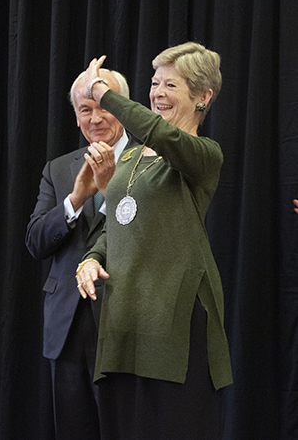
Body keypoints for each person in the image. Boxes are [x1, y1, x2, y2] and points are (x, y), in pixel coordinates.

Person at [76, 42, 233, 440]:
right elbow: (115, 225)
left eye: (171, 85)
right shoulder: (127, 160)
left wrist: (101, 92)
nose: (157, 93)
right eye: (154, 82)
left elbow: (157, 131)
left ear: (203, 97)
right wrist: (90, 259)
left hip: (173, 324)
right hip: (123, 321)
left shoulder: (203, 154)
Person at [25, 66, 138, 440]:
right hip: (68, 326)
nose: (95, 118)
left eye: (103, 106)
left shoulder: (150, 162)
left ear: (121, 107)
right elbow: (36, 242)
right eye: (85, 109)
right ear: (76, 117)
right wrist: (75, 200)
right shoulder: (59, 169)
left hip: (127, 322)